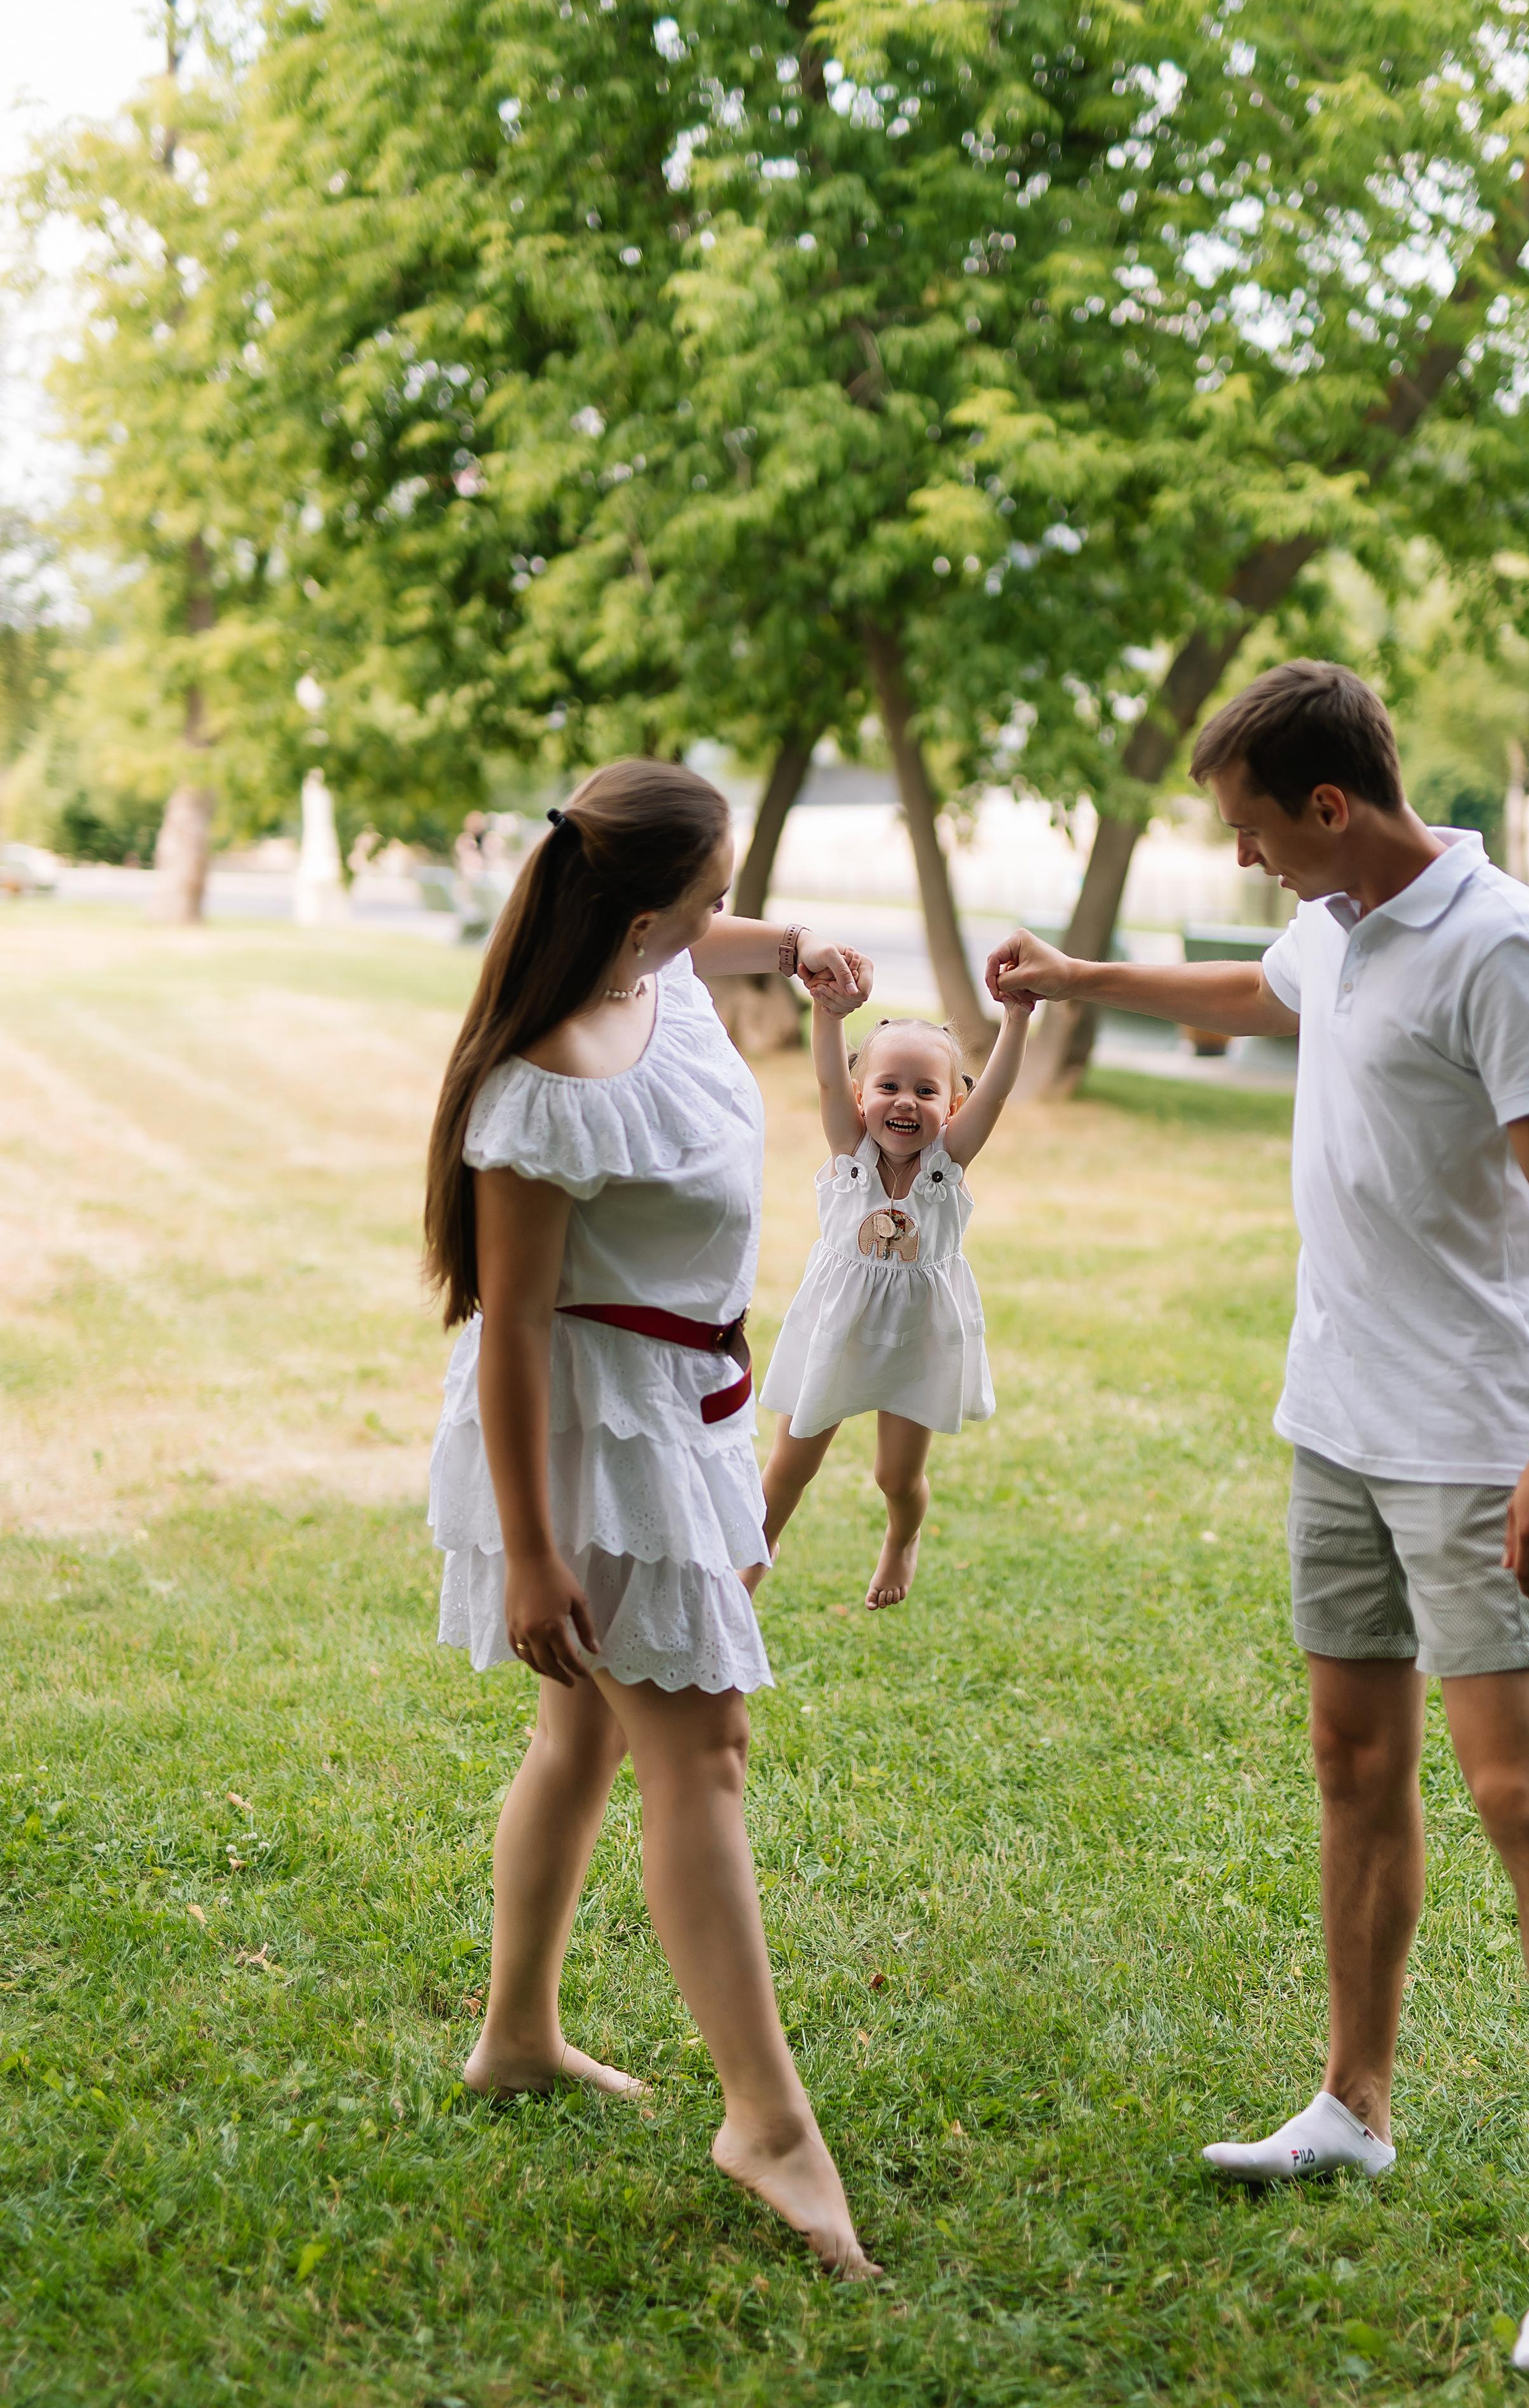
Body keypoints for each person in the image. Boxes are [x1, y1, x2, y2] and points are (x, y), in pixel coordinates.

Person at [987, 661, 1529, 2373]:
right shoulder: (1341, 919)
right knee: (1352, 1768)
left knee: (1514, 1791)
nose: (1247, 860)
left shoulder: (1498, 944)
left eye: (1250, 832)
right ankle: (1352, 2101)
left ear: (1330, 806)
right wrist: (1074, 979)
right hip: (1335, 1423)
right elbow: (1254, 985)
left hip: (1464, 1440)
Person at [423, 760, 878, 2279]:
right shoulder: (544, 1087)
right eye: (712, 891)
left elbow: (736, 938)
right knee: (704, 1746)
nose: (724, 916)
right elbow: (514, 1330)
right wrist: (534, 1549)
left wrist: (800, 942)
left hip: (684, 1406)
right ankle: (766, 2121)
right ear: (639, 915)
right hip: (587, 1439)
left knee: (585, 1738)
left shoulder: (663, 972)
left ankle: (515, 2036)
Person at [756, 1000, 1031, 1608]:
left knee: (896, 1477)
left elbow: (998, 1094)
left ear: (952, 1106)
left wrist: (1015, 1021)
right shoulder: (848, 1152)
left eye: (926, 1090)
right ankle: (750, 1561)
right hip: (837, 1332)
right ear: (860, 1097)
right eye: (888, 1086)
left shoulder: (948, 1164)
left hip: (917, 1339)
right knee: (789, 1464)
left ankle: (902, 1540)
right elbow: (827, 1074)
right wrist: (827, 1015)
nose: (906, 1101)